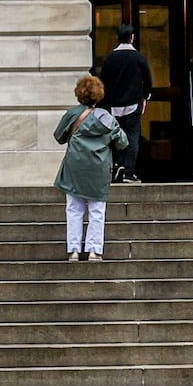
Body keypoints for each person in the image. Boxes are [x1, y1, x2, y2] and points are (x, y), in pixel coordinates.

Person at [54, 73, 131, 260]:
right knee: (97, 211)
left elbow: (59, 137)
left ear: (79, 94)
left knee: (74, 209)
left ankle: (73, 250)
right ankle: (94, 250)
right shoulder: (107, 118)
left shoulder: (72, 114)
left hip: (75, 168)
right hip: (98, 170)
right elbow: (123, 143)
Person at [98, 26, 154, 182]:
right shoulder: (139, 58)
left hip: (114, 105)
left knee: (116, 137)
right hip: (133, 103)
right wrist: (145, 97)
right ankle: (129, 172)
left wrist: (104, 104)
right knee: (132, 137)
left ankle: (118, 165)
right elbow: (148, 80)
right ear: (132, 37)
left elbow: (103, 82)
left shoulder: (109, 59)